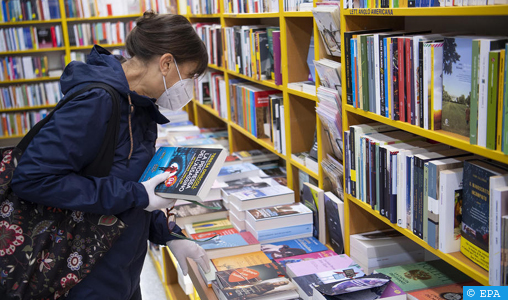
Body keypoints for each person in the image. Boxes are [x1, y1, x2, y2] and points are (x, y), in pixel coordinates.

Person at [10, 12, 210, 300]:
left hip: (121, 266)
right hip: (83, 273)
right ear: (166, 63)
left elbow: (137, 186)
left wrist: (169, 234)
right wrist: (137, 194)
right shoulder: (97, 101)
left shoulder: (140, 104)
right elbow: (32, 178)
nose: (189, 88)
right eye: (190, 76)